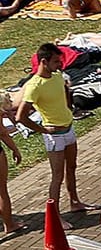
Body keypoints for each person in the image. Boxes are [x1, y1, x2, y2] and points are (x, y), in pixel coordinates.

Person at [15, 45, 86, 219]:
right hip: (54, 136)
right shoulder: (34, 86)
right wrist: (42, 129)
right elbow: (20, 117)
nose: (59, 65)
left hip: (68, 129)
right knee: (57, 176)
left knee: (72, 167)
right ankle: (54, 217)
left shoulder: (57, 76)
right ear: (44, 62)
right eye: (56, 61)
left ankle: (75, 202)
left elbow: (64, 91)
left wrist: (69, 107)